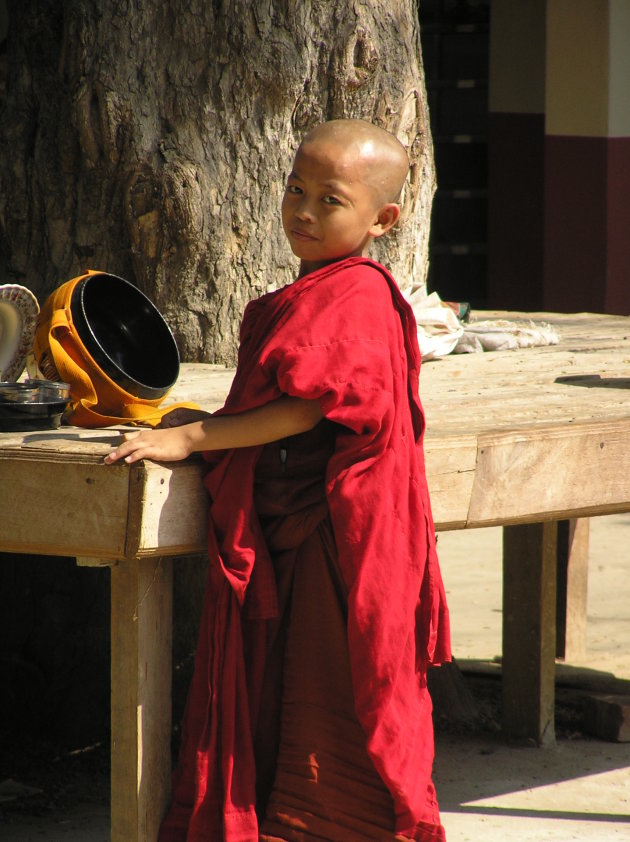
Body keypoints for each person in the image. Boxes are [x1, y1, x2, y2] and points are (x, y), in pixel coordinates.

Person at [106, 118, 451, 842]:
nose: (302, 210)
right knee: (287, 695)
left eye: (330, 200)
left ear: (382, 220)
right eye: (296, 189)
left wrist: (196, 436)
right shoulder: (323, 285)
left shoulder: (356, 293)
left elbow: (308, 407)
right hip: (295, 532)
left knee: (333, 701)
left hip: (334, 542)